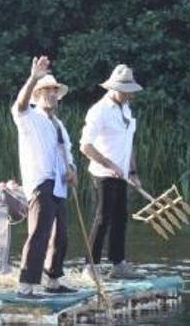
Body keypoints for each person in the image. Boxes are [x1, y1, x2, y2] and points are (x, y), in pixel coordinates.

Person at [10, 56, 78, 298]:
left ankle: (53, 281)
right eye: (46, 90)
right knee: (39, 234)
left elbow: (67, 152)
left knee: (61, 235)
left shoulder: (58, 124)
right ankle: (25, 286)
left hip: (59, 185)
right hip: (40, 183)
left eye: (53, 90)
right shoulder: (30, 117)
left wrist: (72, 169)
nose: (51, 94)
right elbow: (19, 105)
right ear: (37, 95)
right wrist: (33, 79)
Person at [79, 64, 146, 280]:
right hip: (102, 174)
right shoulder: (99, 111)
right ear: (114, 88)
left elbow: (129, 142)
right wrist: (110, 165)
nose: (129, 95)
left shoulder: (126, 108)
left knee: (120, 218)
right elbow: (85, 146)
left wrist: (133, 172)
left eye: (130, 91)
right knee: (102, 217)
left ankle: (118, 264)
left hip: (123, 175)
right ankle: (90, 266)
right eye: (125, 90)